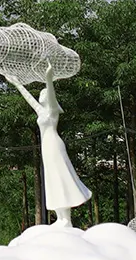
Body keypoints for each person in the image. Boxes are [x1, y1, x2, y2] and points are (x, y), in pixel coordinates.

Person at [7, 63, 91, 226]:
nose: (41, 94)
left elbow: (51, 94)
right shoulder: (42, 112)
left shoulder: (52, 110)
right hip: (46, 148)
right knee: (53, 179)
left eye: (43, 92)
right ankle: (60, 217)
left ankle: (66, 218)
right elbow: (29, 99)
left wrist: (48, 79)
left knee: (61, 177)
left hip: (54, 145)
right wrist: (16, 83)